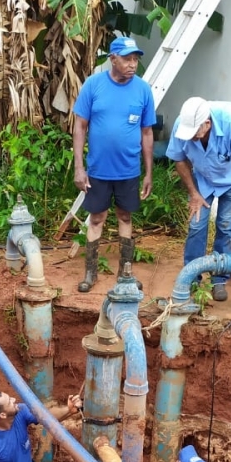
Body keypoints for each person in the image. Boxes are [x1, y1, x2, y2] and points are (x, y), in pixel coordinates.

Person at [72, 35, 156, 293]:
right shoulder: (93, 85)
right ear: (113, 59)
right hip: (98, 169)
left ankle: (125, 272)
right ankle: (90, 273)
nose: (133, 65)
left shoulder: (142, 90)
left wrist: (148, 172)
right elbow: (80, 126)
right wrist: (79, 167)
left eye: (136, 60)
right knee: (96, 218)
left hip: (128, 170)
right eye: (127, 59)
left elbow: (147, 133)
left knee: (125, 215)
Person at [166, 97, 231, 302]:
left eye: (194, 134)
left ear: (207, 124)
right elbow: (178, 159)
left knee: (226, 226)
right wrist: (194, 193)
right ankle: (192, 279)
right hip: (203, 179)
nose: (189, 138)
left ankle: (219, 280)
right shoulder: (183, 124)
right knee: (196, 226)